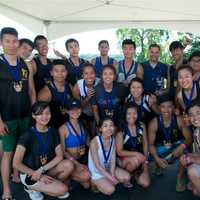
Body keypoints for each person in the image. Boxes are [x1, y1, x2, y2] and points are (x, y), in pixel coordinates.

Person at [13, 101, 73, 200]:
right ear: (33, 115)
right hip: (30, 174)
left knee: (69, 165)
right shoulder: (27, 135)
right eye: (40, 113)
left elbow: (59, 156)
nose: (44, 116)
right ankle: (30, 188)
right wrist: (36, 174)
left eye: (47, 113)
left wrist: (41, 170)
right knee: (63, 190)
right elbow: (16, 163)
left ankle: (46, 187)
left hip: (45, 169)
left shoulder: (53, 131)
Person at [0, 27, 34, 200]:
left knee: (23, 149)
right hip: (7, 118)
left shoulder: (25, 65)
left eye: (15, 41)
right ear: (1, 43)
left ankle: (17, 176)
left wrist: (35, 113)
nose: (12, 45)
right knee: (8, 153)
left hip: (26, 115)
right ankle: (7, 190)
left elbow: (30, 91)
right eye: (8, 41)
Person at [148, 94, 192, 192]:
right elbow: (150, 144)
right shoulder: (153, 123)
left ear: (173, 107)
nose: (166, 110)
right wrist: (156, 158)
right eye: (163, 107)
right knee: (155, 151)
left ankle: (179, 178)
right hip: (160, 148)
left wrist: (181, 147)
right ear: (159, 108)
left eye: (169, 106)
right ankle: (158, 164)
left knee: (185, 154)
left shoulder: (179, 120)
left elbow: (189, 138)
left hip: (176, 146)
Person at [88, 118, 131, 195]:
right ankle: (93, 182)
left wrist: (112, 174)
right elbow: (97, 166)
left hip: (107, 168)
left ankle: (105, 180)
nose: (109, 128)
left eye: (111, 125)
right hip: (97, 171)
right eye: (105, 126)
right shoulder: (94, 141)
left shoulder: (113, 139)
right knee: (111, 190)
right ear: (100, 129)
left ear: (114, 128)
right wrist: (111, 179)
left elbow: (113, 159)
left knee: (127, 177)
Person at [116, 104, 150, 188]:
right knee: (135, 160)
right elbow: (119, 152)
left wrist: (145, 168)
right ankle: (125, 175)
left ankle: (135, 173)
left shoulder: (142, 126)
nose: (132, 116)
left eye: (134, 113)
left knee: (146, 183)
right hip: (122, 159)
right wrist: (136, 154)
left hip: (140, 158)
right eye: (129, 113)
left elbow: (145, 144)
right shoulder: (121, 129)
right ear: (124, 115)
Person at [59, 99, 90, 188]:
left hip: (81, 159)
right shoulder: (63, 129)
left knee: (87, 185)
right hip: (70, 162)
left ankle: (71, 177)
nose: (75, 111)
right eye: (71, 109)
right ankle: (68, 175)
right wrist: (77, 164)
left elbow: (89, 143)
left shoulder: (82, 124)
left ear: (81, 109)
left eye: (77, 109)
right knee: (86, 176)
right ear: (67, 111)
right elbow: (63, 151)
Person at [38, 59, 74, 128]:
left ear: (66, 72)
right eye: (56, 71)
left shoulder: (69, 86)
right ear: (51, 73)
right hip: (53, 127)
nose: (60, 74)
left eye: (63, 71)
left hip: (68, 125)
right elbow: (40, 116)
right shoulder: (45, 92)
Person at [73, 63, 100, 138]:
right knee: (86, 134)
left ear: (95, 74)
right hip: (84, 113)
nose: (89, 76)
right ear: (82, 75)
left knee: (96, 134)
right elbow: (77, 107)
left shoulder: (100, 82)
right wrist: (88, 97)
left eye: (92, 73)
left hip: (98, 113)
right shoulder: (78, 85)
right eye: (86, 73)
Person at [180, 102, 200, 196]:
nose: (195, 117)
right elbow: (198, 153)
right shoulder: (196, 131)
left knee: (191, 171)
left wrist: (191, 159)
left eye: (198, 113)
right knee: (195, 191)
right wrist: (187, 156)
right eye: (191, 115)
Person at [18, 38, 36, 105]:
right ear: (17, 46)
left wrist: (34, 108)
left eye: (30, 50)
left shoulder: (28, 65)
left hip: (24, 106)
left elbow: (31, 90)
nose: (27, 52)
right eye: (24, 48)